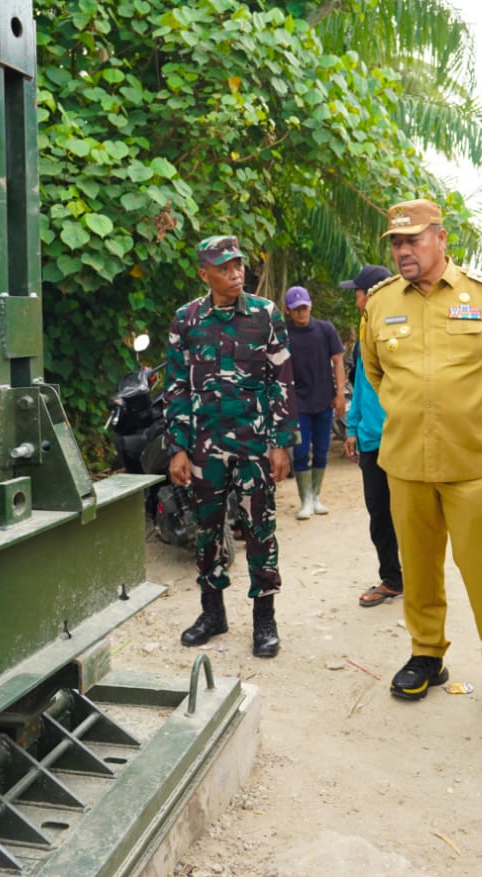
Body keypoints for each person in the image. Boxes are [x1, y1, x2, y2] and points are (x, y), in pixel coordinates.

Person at [359, 199, 482, 714]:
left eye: (412, 239)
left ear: (441, 237)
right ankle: (426, 655)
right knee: (419, 567)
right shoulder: (381, 302)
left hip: (469, 463)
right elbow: (375, 371)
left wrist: (473, 419)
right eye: (395, 241)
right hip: (406, 462)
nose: (402, 249)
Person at [163, 235, 295, 659]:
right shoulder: (187, 319)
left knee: (260, 531)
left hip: (255, 446)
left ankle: (264, 620)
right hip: (205, 447)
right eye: (224, 267)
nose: (236, 272)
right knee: (207, 532)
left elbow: (282, 381)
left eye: (238, 264)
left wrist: (280, 443)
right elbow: (177, 385)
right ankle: (212, 613)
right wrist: (178, 448)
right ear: (205, 274)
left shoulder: (265, 315)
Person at [340, 264, 403, 608]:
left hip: (400, 439)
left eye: (358, 291)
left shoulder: (400, 329)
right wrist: (352, 429)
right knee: (379, 515)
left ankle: (423, 583)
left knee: (412, 517)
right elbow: (361, 386)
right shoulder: (365, 331)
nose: (355, 298)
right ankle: (392, 578)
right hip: (370, 440)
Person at [283, 284, 346, 520]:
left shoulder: (325, 329)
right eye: (296, 309)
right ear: (288, 310)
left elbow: (338, 361)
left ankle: (316, 496)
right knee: (300, 451)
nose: (301, 312)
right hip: (298, 403)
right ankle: (305, 500)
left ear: (310, 306)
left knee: (322, 450)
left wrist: (339, 393)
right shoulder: (284, 335)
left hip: (324, 400)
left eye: (304, 308)